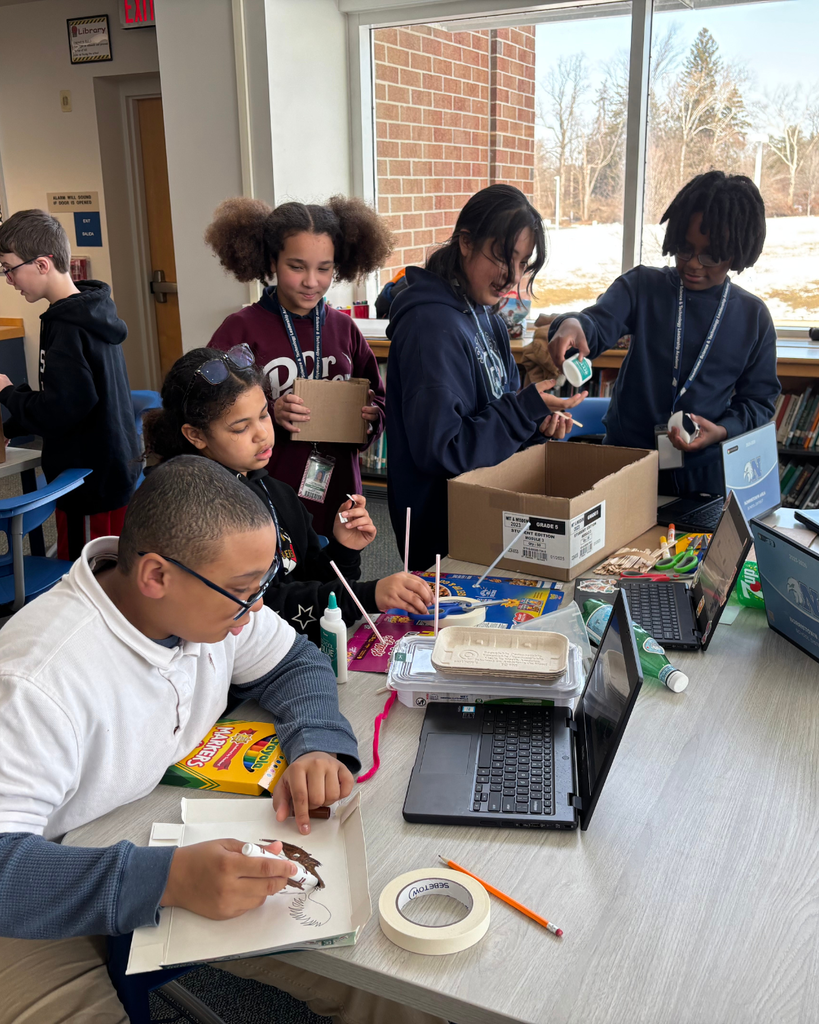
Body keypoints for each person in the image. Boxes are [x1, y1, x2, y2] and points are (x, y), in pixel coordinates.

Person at [0, 456, 450, 1024]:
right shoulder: (37, 683)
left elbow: (296, 661)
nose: (257, 607)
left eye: (263, 584)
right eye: (243, 591)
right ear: (156, 576)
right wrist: (166, 878)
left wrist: (313, 742)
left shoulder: (209, 604)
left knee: (398, 990)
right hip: (30, 897)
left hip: (146, 841)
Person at [144, 347, 434, 642]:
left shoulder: (274, 489)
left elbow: (309, 577)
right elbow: (263, 609)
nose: (262, 434)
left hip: (299, 641)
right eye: (241, 428)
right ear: (196, 435)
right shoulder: (203, 511)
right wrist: (368, 596)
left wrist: (342, 550)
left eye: (263, 416)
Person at [385, 184, 585, 570]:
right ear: (465, 242)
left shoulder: (486, 316)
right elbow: (444, 450)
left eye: (524, 262)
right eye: (502, 256)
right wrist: (522, 410)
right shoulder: (429, 327)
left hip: (488, 512)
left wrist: (535, 423)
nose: (512, 275)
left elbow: (497, 410)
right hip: (444, 534)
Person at [548, 171, 780, 496]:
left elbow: (758, 400)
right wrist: (571, 325)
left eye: (710, 255)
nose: (693, 264)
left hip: (704, 475)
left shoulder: (753, 317)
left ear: (738, 251)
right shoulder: (642, 286)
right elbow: (597, 324)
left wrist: (724, 430)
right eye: (684, 248)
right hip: (626, 464)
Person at [205, 196, 392, 536]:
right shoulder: (240, 329)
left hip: (339, 487)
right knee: (282, 580)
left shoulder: (344, 328)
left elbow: (378, 398)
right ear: (272, 261)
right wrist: (268, 412)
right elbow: (212, 406)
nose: (311, 281)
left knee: (339, 573)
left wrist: (372, 417)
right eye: (296, 266)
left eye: (324, 268)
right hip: (268, 490)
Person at [0, 209, 140, 560]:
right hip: (102, 469)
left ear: (43, 264)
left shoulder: (68, 326)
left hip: (90, 480)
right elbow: (68, 395)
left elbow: (63, 409)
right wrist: (12, 424)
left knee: (91, 577)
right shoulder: (83, 312)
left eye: (10, 268)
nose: (8, 279)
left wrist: (7, 392)